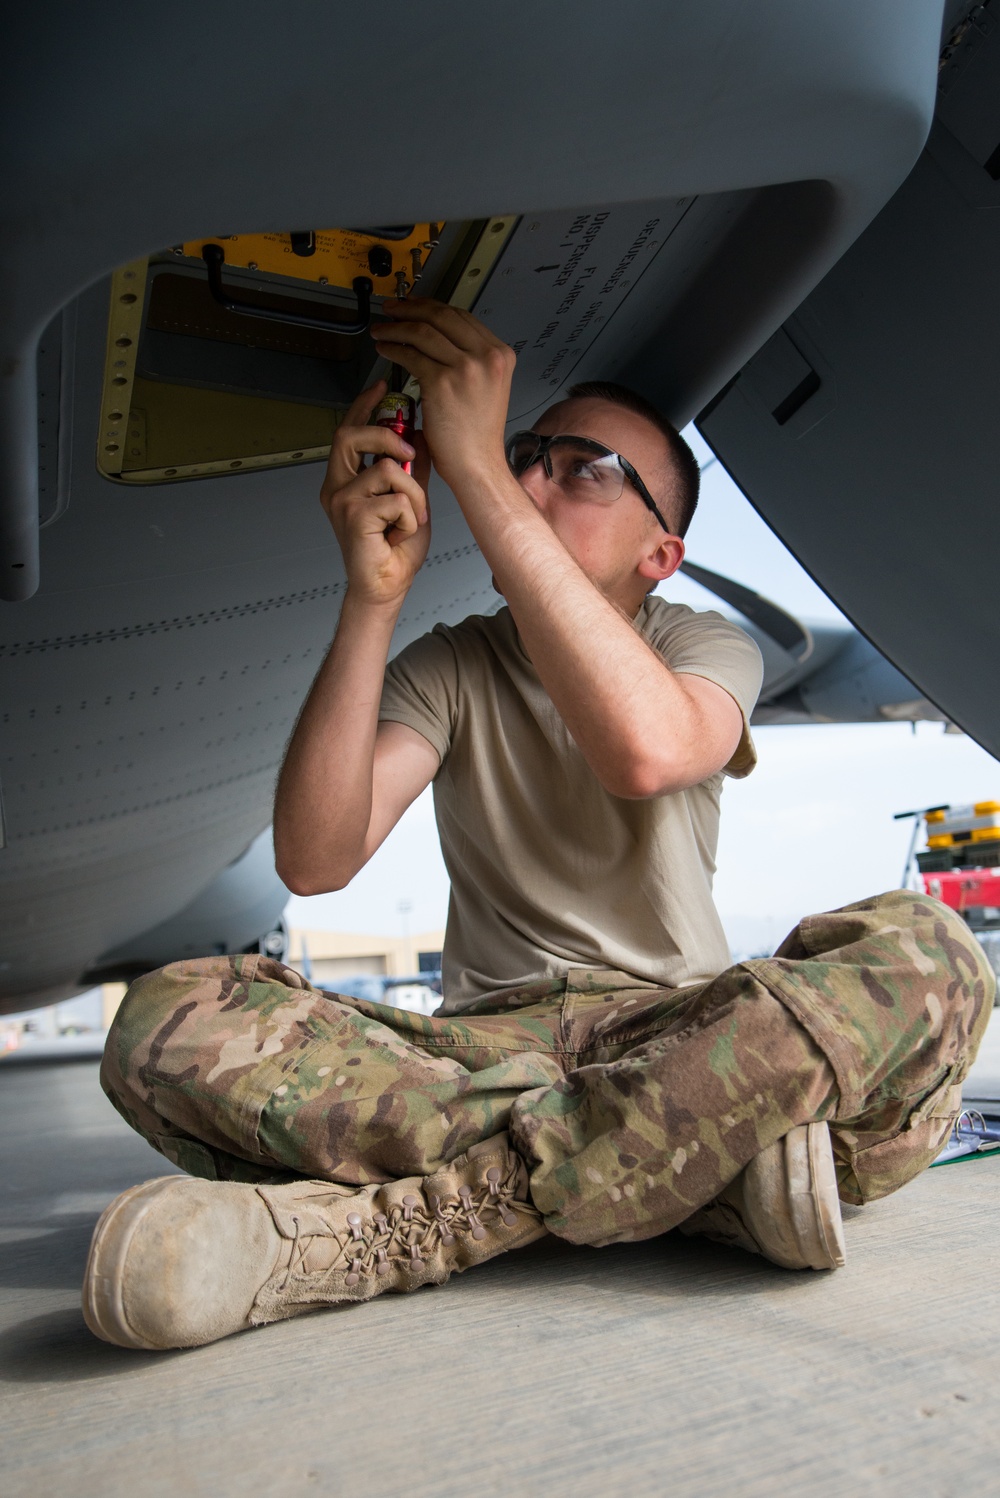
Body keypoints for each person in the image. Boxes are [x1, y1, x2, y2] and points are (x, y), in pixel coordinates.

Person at [84, 301, 993, 1352]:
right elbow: (317, 856)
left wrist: (470, 470)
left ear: (661, 553)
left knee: (932, 955)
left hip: (680, 1028)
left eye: (584, 467)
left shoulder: (701, 641)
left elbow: (645, 749)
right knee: (166, 1018)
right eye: (525, 455)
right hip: (482, 1050)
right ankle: (700, 1180)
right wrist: (371, 602)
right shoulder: (454, 662)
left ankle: (406, 1225)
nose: (525, 479)